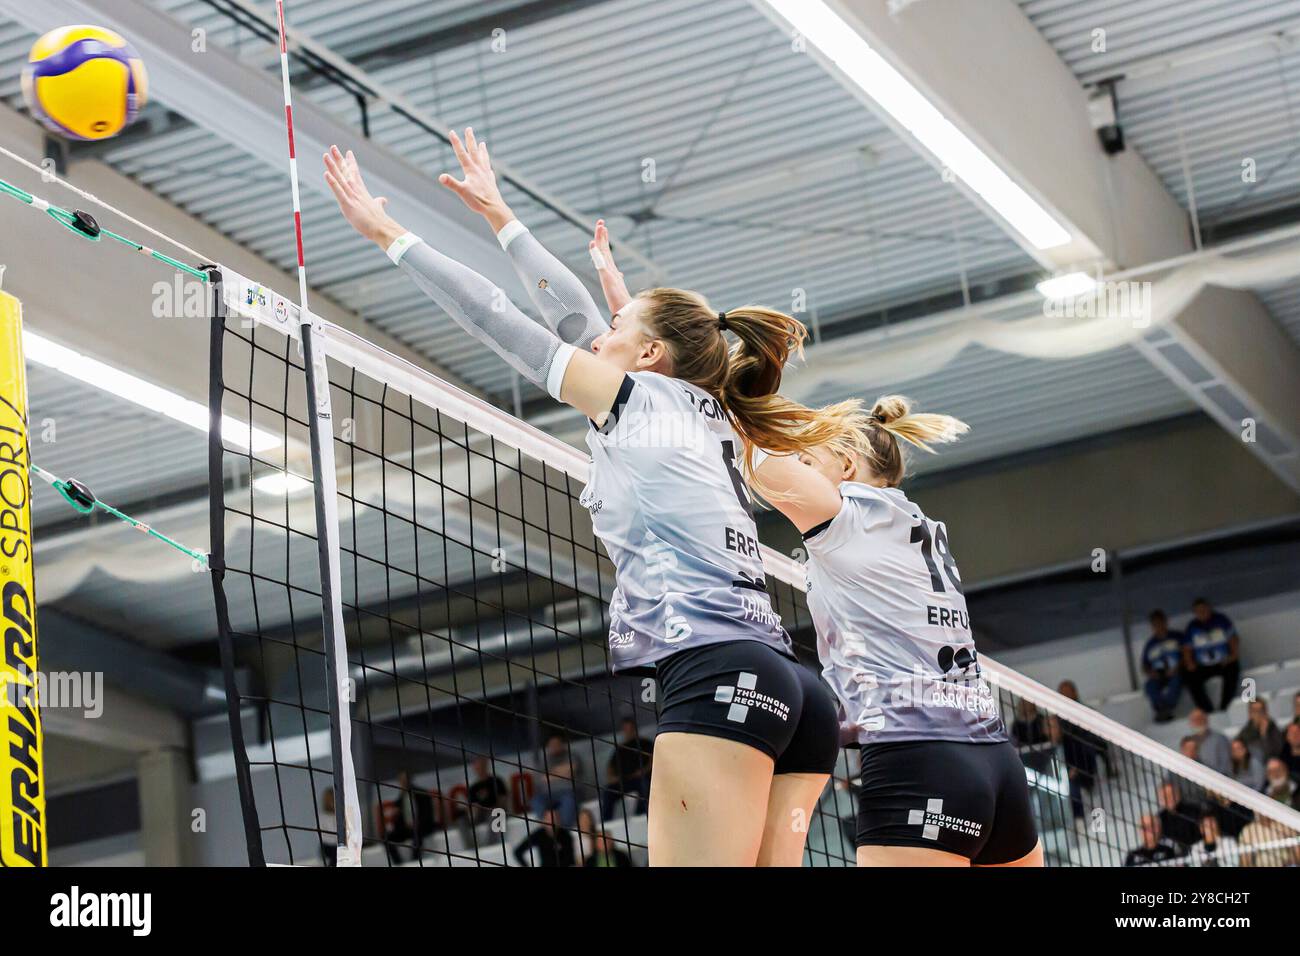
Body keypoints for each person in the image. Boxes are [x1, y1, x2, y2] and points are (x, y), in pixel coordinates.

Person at [324, 133, 840, 866]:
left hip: (719, 676)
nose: (599, 337)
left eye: (618, 329)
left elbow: (501, 320)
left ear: (652, 354)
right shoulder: (702, 410)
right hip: (788, 688)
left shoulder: (634, 401)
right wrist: (503, 216)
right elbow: (573, 317)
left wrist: (388, 235)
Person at [737, 389, 1042, 867]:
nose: (800, 468)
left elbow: (755, 465)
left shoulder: (847, 516)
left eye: (808, 460)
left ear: (847, 465)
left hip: (918, 758)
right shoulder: (913, 521)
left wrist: (716, 381)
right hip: (997, 763)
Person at [1053, 680, 1109, 822]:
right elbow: (1056, 741)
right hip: (1069, 762)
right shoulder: (1057, 718)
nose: (1065, 695)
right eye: (1062, 692)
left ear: (1075, 692)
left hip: (1089, 758)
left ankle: (1097, 822)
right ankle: (1079, 818)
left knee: (1082, 744)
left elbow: (1097, 738)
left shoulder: (1087, 712)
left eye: (1068, 691)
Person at [1181, 598, 1240, 712]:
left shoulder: (1221, 621)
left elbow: (1233, 640)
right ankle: (1206, 710)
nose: (1202, 613)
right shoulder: (1192, 627)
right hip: (1203, 665)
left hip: (1223, 662)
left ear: (1209, 609)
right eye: (1198, 611)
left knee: (1233, 668)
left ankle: (1225, 706)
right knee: (1189, 675)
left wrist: (1233, 655)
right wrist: (1190, 663)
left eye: (1204, 610)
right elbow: (1186, 649)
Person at [601, 717, 653, 818]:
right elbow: (610, 767)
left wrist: (644, 771)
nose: (628, 732)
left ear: (635, 729)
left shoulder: (645, 743)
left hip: (640, 778)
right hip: (623, 781)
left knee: (645, 785)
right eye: (625, 729)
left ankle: (640, 816)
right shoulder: (620, 748)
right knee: (608, 791)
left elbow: (653, 759)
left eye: (630, 729)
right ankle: (606, 822)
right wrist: (611, 777)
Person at [1139, 610, 1184, 722]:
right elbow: (1144, 665)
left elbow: (1187, 654)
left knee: (1176, 681)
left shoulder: (1177, 637)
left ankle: (1167, 708)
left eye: (1160, 622)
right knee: (1150, 686)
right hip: (1159, 674)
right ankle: (1161, 709)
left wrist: (1178, 667)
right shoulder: (1150, 644)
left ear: (1165, 622)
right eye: (1155, 624)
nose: (1158, 626)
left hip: (1177, 671)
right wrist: (1151, 673)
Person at [1157, 781, 1202, 849]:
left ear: (1178, 794)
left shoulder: (1194, 810)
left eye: (1170, 794)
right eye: (1164, 796)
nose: (1168, 798)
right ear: (1160, 799)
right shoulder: (1160, 818)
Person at [1187, 708, 1232, 777]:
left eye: (1200, 718)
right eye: (1194, 719)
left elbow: (1226, 767)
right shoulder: (1188, 742)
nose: (1197, 722)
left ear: (1206, 719)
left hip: (1217, 781)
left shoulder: (1220, 739)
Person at [466, 756, 508, 823]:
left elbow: (503, 799)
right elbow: (473, 807)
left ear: (486, 766)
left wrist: (494, 807)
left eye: (482, 765)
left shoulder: (496, 781)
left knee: (494, 815)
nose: (480, 768)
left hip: (496, 811)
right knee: (461, 820)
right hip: (481, 814)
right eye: (477, 766)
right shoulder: (473, 788)